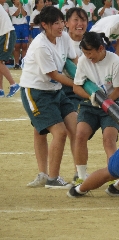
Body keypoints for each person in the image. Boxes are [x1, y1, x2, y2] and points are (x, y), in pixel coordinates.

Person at [26, 7, 89, 188]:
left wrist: (83, 77)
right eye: (56, 23)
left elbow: (73, 61)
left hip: (55, 90)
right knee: (58, 133)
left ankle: (80, 173)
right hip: (37, 91)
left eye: (62, 21)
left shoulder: (64, 38)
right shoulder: (40, 45)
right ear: (44, 25)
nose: (61, 26)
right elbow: (53, 74)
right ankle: (52, 178)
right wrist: (78, 85)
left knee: (76, 129)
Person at [72, 32, 119, 185]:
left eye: (90, 53)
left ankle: (113, 177)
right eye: (84, 53)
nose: (87, 57)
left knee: (109, 139)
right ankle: (81, 176)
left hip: (112, 105)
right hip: (89, 105)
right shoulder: (83, 60)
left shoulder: (115, 61)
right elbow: (76, 87)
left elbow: (117, 90)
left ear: (101, 48)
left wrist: (105, 103)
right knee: (80, 135)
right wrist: (91, 98)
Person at [0, 4, 21, 98]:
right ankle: (0, 90)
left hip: (6, 34)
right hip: (4, 34)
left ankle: (13, 84)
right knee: (0, 62)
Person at [9, 0, 29, 70]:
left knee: (24, 46)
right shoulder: (11, 8)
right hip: (16, 27)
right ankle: (17, 63)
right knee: (17, 46)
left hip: (24, 27)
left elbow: (24, 14)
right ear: (13, 1)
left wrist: (21, 6)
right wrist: (20, 6)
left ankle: (23, 63)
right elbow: (16, 14)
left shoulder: (25, 6)